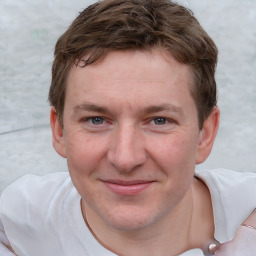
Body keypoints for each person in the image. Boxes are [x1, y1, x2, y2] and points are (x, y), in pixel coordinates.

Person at [0, 0, 256, 255]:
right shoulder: (20, 222)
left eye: (159, 120)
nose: (125, 159)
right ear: (59, 131)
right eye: (96, 120)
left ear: (206, 134)